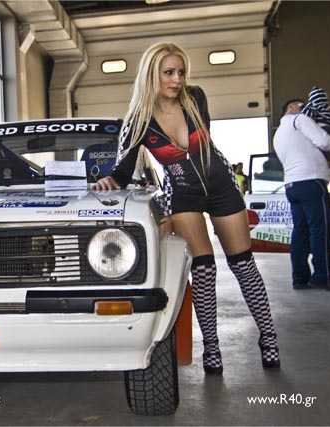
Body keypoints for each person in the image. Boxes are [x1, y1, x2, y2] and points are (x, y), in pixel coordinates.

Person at [92, 42, 280, 374]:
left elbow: (203, 149)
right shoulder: (138, 120)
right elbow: (123, 170)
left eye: (180, 72)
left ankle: (269, 338)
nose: (177, 79)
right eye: (169, 72)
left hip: (221, 186)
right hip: (183, 194)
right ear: (152, 74)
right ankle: (212, 347)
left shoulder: (195, 98)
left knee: (243, 265)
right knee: (203, 270)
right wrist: (109, 180)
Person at [273, 97, 330, 291]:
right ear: (291, 107)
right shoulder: (299, 119)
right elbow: (326, 143)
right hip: (311, 181)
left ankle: (300, 278)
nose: (307, 110)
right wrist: (329, 140)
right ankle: (324, 277)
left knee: (300, 231)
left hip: (292, 185)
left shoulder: (279, 133)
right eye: (303, 106)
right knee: (320, 229)